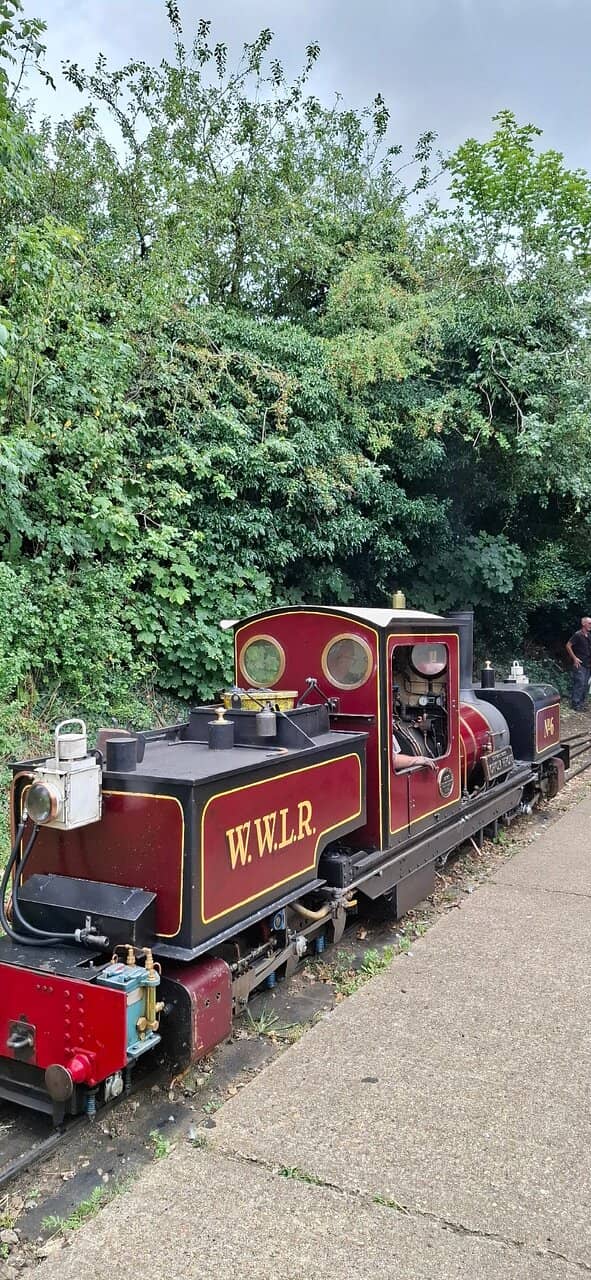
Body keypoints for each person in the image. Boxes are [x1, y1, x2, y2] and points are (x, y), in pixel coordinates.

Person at [566, 616, 591, 712]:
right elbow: (568, 645)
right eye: (589, 623)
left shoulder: (589, 635)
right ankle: (575, 704)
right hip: (580, 664)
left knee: (586, 685)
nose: (590, 625)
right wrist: (575, 658)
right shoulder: (578, 635)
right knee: (580, 682)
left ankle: (581, 703)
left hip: (588, 664)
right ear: (583, 624)